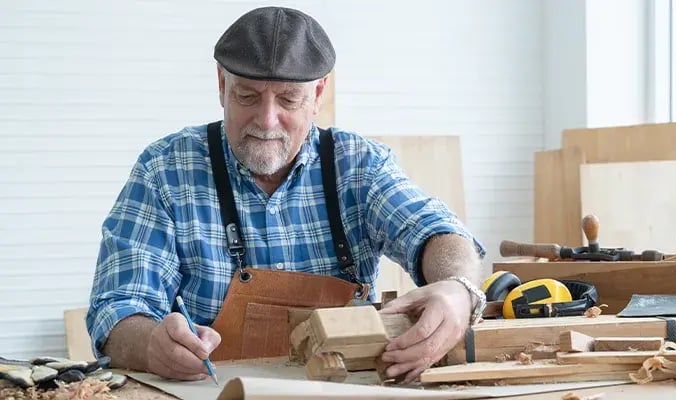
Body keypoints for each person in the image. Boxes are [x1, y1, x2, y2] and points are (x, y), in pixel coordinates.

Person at [87, 5, 486, 384]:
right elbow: (117, 308)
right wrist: (150, 344)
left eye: (289, 99)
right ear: (222, 85)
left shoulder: (359, 165)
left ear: (317, 95)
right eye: (247, 96)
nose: (266, 120)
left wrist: (458, 288)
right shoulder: (165, 170)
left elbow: (437, 232)